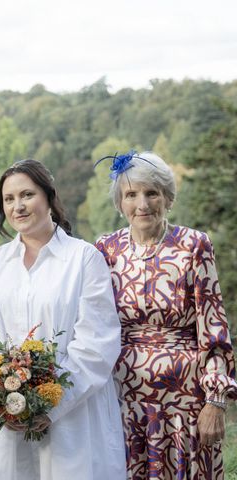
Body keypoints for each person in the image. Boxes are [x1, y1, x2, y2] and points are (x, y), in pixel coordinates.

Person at [0, 159, 125, 480]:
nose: (18, 206)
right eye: (9, 199)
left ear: (48, 197)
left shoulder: (83, 259)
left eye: (27, 195)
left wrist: (49, 405)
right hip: (1, 418)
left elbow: (97, 343)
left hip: (72, 417)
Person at [94, 150, 237, 479]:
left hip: (185, 405)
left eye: (151, 193)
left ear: (168, 198)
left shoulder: (194, 245)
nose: (142, 204)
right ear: (120, 203)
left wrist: (215, 401)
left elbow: (213, 325)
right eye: (131, 195)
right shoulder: (105, 249)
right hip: (122, 402)